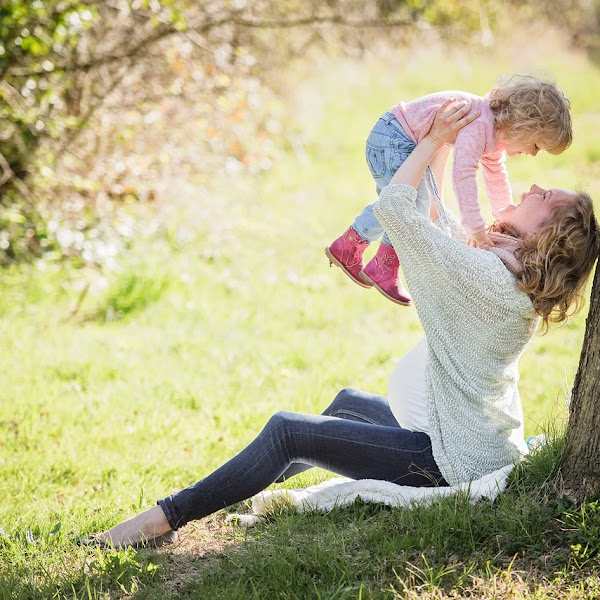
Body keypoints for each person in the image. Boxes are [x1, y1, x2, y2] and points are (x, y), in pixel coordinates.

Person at [81, 101, 598, 549]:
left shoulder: (486, 278)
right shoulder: (507, 273)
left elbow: (397, 208)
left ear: (548, 238)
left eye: (546, 198)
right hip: (463, 435)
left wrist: (437, 138)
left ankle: (162, 520)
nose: (534, 185)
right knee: (347, 404)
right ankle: (233, 489)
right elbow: (449, 226)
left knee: (288, 431)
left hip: (449, 459)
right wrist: (448, 148)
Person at [325, 74, 573, 305]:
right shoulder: (480, 123)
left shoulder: (494, 134)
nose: (532, 153)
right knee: (408, 203)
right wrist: (475, 228)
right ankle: (382, 264)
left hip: (398, 138)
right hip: (393, 138)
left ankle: (351, 246)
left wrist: (503, 216)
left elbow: (496, 177)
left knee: (406, 201)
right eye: (537, 145)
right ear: (524, 126)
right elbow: (463, 174)